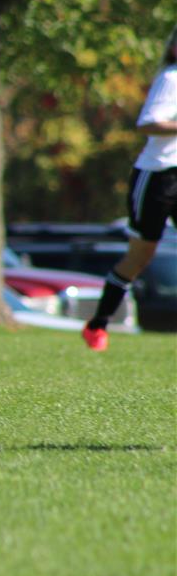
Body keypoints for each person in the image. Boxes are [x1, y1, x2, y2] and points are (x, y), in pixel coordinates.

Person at [82, 24, 177, 351]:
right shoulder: (171, 79)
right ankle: (98, 325)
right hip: (157, 177)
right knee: (140, 256)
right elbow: (147, 123)